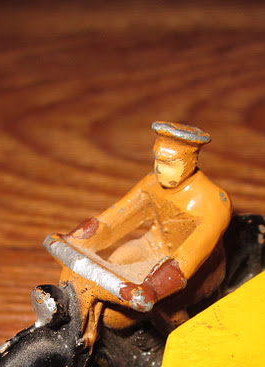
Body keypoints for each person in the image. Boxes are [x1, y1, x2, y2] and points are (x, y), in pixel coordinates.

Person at [53, 121, 232, 331]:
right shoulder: (151, 183)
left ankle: (183, 334)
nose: (159, 168)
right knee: (116, 262)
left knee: (159, 309)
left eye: (169, 163)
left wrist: (153, 289)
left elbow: (188, 258)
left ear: (191, 160)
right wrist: (76, 239)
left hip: (198, 272)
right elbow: (114, 219)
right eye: (157, 159)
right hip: (152, 247)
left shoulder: (214, 201)